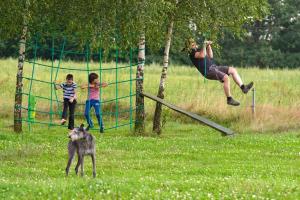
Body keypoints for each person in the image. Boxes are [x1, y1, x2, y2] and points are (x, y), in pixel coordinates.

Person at [185, 38, 253, 106]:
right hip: (208, 71)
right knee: (226, 78)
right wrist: (204, 45)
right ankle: (229, 99)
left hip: (214, 67)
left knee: (233, 70)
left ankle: (244, 88)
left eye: (194, 44)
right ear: (189, 46)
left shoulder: (199, 50)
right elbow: (202, 55)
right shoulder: (191, 53)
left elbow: (210, 56)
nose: (194, 45)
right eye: (192, 44)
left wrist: (208, 46)